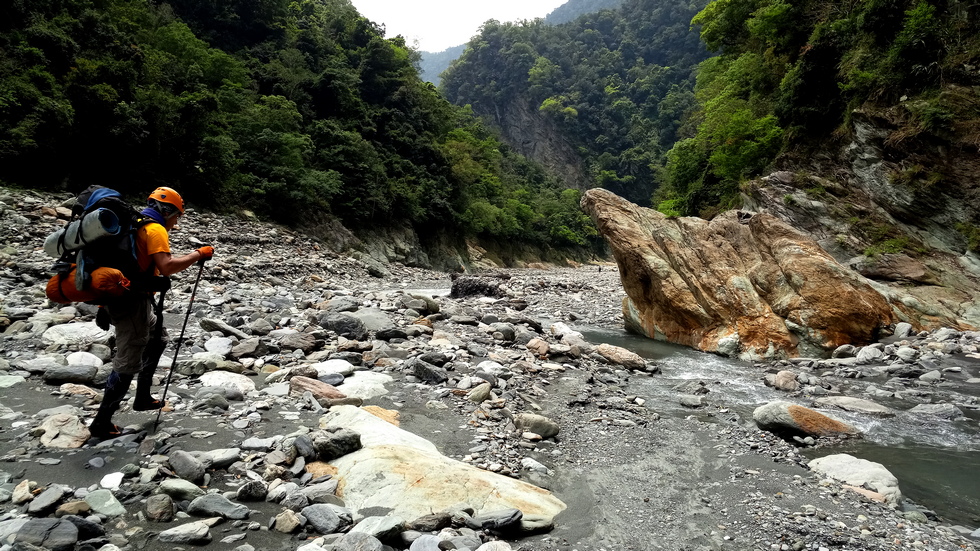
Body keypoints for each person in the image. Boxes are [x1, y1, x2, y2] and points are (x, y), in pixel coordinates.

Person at [89, 186, 214, 439]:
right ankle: (101, 422)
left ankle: (143, 397)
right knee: (127, 361)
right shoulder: (154, 229)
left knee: (158, 338)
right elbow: (166, 266)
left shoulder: (134, 224)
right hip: (132, 303)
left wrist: (103, 305)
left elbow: (119, 265)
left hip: (126, 299)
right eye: (177, 216)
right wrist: (198, 253)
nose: (176, 222)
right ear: (167, 211)